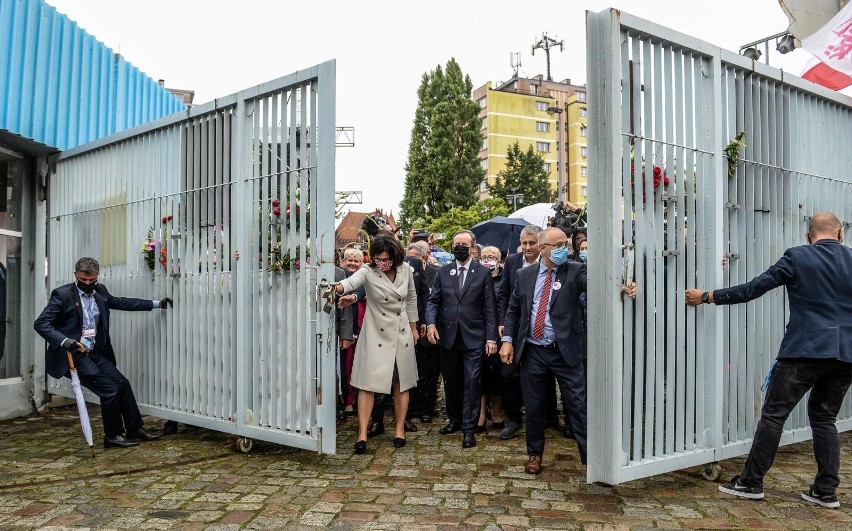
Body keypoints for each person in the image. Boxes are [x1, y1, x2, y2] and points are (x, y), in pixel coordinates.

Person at [686, 212, 852, 508]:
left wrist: (708, 296)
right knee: (825, 418)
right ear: (840, 235)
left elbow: (753, 289)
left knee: (774, 414)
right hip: (846, 354)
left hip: (804, 349)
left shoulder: (797, 257)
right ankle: (825, 490)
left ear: (808, 236)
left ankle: (751, 482)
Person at [34, 257, 173, 448]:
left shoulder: (100, 291)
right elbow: (41, 324)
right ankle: (113, 436)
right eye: (83, 280)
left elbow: (122, 302)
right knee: (110, 390)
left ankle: (134, 428)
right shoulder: (62, 294)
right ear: (76, 275)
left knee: (122, 384)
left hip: (94, 352)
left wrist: (156, 304)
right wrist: (66, 342)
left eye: (92, 280)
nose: (88, 284)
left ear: (97, 275)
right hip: (73, 356)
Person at [500, 227, 588, 474]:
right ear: (543, 249)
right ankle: (534, 454)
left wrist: (622, 286)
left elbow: (591, 285)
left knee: (577, 405)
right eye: (558, 245)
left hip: (565, 350)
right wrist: (508, 339)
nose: (564, 249)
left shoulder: (575, 270)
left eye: (565, 244)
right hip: (534, 351)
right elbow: (514, 309)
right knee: (535, 406)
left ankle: (590, 457)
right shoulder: (524, 275)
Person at [335, 235, 419, 453]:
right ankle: (362, 433)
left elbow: (411, 299)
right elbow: (351, 282)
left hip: (401, 333)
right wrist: (337, 289)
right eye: (378, 258)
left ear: (395, 256)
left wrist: (413, 328)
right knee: (367, 384)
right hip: (375, 334)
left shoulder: (406, 270)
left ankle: (400, 429)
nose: (382, 263)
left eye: (386, 259)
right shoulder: (368, 270)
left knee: (401, 383)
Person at [425, 229, 498, 448]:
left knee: (472, 381)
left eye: (464, 244)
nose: (459, 247)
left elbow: (490, 308)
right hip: (447, 336)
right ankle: (454, 419)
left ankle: (469, 427)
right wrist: (430, 324)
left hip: (474, 337)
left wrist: (491, 338)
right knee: (451, 381)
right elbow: (433, 301)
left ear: (473, 248)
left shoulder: (482, 273)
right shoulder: (443, 272)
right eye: (456, 244)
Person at [411, 240, 441, 422]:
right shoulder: (404, 274)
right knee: (412, 372)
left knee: (429, 373)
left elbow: (435, 302)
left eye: (414, 258)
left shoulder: (436, 274)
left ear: (424, 258)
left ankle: (427, 409)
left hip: (429, 330)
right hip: (410, 330)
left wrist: (430, 324)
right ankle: (412, 406)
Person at [477, 245, 505, 432]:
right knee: (480, 373)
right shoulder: (477, 275)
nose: (488, 259)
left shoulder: (505, 277)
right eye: (485, 256)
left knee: (499, 374)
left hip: (501, 332)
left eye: (492, 256)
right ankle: (480, 413)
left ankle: (495, 411)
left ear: (500, 260)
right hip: (479, 331)